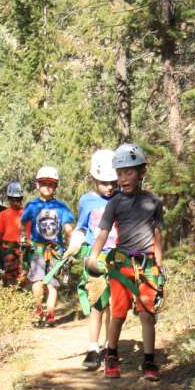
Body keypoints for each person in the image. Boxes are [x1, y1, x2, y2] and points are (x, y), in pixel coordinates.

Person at [85, 143, 165, 381]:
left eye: (129, 172)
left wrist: (159, 267)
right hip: (120, 264)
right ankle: (111, 354)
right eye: (119, 173)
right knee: (117, 312)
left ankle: (149, 361)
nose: (123, 178)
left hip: (147, 263)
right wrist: (93, 257)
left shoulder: (153, 201)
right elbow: (102, 234)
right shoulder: (115, 203)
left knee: (147, 313)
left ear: (141, 173)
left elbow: (158, 236)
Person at [68, 149, 118, 369]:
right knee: (98, 303)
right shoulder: (87, 200)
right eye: (104, 182)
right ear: (94, 178)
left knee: (114, 304)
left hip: (118, 258)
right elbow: (81, 228)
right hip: (95, 259)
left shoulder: (122, 198)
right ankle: (92, 347)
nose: (109, 186)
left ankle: (110, 346)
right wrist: (74, 245)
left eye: (113, 182)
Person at [21, 165, 75, 327]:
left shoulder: (61, 207)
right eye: (44, 183)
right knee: (37, 282)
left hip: (56, 251)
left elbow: (67, 228)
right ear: (37, 185)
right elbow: (23, 224)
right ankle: (39, 312)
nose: (47, 187)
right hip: (37, 250)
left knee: (52, 285)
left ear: (56, 186)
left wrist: (72, 246)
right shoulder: (31, 206)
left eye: (51, 184)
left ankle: (50, 316)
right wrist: (25, 240)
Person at [0, 181, 27, 287]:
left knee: (24, 276)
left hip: (24, 249)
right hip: (8, 250)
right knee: (9, 276)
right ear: (9, 198)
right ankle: (10, 298)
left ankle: (22, 298)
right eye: (13, 199)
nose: (16, 202)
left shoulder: (27, 213)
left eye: (18, 199)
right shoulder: (3, 215)